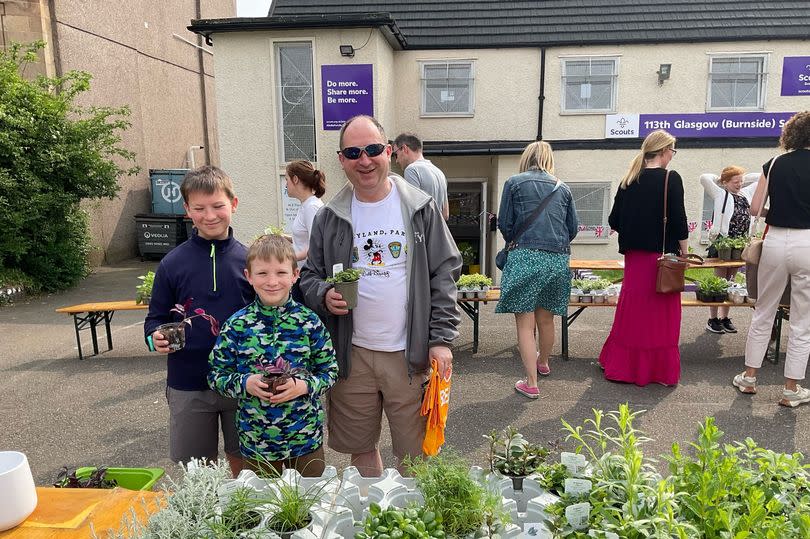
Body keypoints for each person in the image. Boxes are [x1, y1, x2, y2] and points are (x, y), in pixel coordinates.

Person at [299, 115, 462, 476]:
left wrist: (441, 339)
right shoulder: (329, 216)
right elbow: (308, 276)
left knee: (416, 458)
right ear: (341, 159)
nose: (365, 160)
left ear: (389, 152)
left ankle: (411, 527)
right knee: (360, 450)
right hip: (351, 354)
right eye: (353, 152)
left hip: (410, 355)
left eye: (373, 149)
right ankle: (375, 519)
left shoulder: (420, 208)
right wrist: (324, 293)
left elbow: (445, 273)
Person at [144, 165, 254, 475]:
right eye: (199, 208)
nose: (210, 216)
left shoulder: (249, 261)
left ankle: (244, 518)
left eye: (218, 206)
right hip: (187, 383)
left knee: (245, 464)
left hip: (241, 382)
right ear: (187, 210)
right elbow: (154, 321)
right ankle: (205, 520)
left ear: (233, 204)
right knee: (197, 472)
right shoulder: (172, 263)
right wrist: (155, 338)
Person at [208, 234, 338, 476]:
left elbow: (329, 371)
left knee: (313, 504)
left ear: (295, 275)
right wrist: (245, 383)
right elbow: (216, 375)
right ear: (248, 276)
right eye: (262, 273)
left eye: (280, 273)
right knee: (263, 506)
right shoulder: (237, 325)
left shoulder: (309, 322)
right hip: (257, 443)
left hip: (304, 439)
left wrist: (303, 386)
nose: (272, 281)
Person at [598, 130, 688, 387]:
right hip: (662, 260)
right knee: (662, 318)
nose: (673, 155)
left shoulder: (629, 180)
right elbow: (679, 222)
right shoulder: (671, 179)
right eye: (673, 150)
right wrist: (684, 251)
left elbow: (614, 220)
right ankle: (657, 371)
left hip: (635, 261)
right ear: (663, 151)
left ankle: (623, 366)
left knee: (633, 314)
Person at [733, 111, 810, 407]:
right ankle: (792, 389)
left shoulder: (775, 163)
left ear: (791, 135)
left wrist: (778, 211)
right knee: (802, 319)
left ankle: (749, 377)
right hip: (807, 243)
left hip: (776, 239)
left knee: (764, 310)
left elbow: (754, 208)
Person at [495, 141, 578, 399]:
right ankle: (543, 363)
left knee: (524, 323)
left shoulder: (514, 182)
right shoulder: (562, 188)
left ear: (527, 157)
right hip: (556, 259)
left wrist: (518, 241)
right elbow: (572, 228)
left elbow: (505, 223)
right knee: (546, 318)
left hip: (525, 256)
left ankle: (531, 383)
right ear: (548, 159)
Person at [700, 166, 759, 333]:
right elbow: (704, 177)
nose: (739, 184)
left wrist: (743, 177)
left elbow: (762, 177)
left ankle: (724, 318)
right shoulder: (720, 194)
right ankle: (712, 319)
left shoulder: (746, 194)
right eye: (735, 182)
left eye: (741, 181)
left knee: (731, 282)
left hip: (739, 244)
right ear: (725, 182)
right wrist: (721, 179)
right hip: (724, 244)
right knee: (719, 281)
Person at [285, 160, 326, 303]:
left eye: (287, 180)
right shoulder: (306, 205)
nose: (286, 185)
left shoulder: (312, 207)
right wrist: (284, 237)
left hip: (307, 277)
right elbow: (306, 238)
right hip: (300, 273)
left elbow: (315, 246)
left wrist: (286, 260)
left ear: (295, 179)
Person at [392, 132, 450, 220]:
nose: (396, 160)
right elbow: (445, 214)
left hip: (421, 232)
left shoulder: (411, 170)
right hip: (437, 231)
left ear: (404, 149)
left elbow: (412, 210)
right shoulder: (439, 172)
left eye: (396, 154)